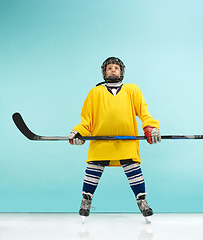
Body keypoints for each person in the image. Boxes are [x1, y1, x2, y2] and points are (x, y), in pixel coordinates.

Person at [69, 57, 161, 222]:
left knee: (133, 169)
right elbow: (86, 120)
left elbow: (144, 113)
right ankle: (86, 200)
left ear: (122, 72)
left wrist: (151, 127)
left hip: (126, 142)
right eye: (109, 68)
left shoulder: (133, 90)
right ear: (104, 72)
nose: (113, 70)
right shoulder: (95, 92)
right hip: (100, 142)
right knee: (93, 169)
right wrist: (79, 133)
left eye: (116, 68)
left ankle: (142, 201)